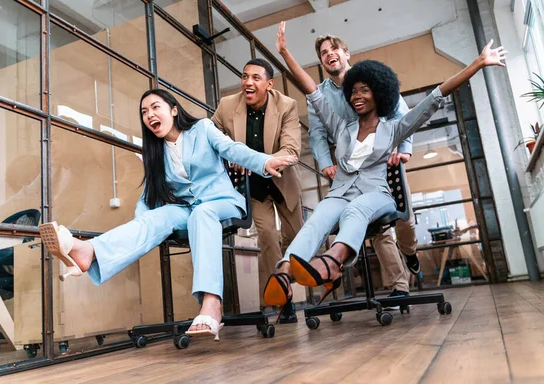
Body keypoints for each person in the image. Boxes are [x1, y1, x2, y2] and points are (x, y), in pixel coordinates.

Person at [264, 21, 506, 306]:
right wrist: (284, 52)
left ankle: (333, 262)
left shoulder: (394, 129)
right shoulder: (342, 127)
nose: (357, 96)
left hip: (376, 194)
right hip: (340, 191)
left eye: (365, 91)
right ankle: (284, 272)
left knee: (359, 212)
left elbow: (436, 96)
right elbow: (312, 92)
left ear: (379, 94)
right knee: (316, 220)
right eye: (353, 92)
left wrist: (477, 64)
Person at [39, 89, 298, 341]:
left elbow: (233, 149)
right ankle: (87, 252)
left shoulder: (203, 128)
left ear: (173, 110)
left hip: (221, 203)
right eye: (144, 112)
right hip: (188, 209)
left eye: (155, 107)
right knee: (157, 217)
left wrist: (264, 162)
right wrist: (145, 225)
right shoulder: (155, 152)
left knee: (203, 212)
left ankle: (211, 303)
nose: (149, 114)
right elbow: (148, 198)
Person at [309, 33, 419, 299]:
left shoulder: (370, 76)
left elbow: (402, 114)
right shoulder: (321, 94)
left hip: (385, 158)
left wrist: (402, 149)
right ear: (322, 61)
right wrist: (326, 164)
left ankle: (410, 250)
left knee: (405, 220)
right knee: (376, 227)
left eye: (334, 48)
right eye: (323, 52)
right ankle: (399, 287)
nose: (329, 54)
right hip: (349, 168)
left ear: (346, 53)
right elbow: (317, 134)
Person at [212, 58, 303, 323]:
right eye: (244, 76)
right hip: (252, 187)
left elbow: (292, 150)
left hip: (281, 179)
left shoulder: (287, 106)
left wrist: (262, 162)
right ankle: (281, 299)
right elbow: (211, 135)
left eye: (255, 78)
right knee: (266, 236)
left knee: (295, 237)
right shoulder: (227, 106)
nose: (247, 82)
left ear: (269, 84)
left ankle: (292, 276)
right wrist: (229, 157)